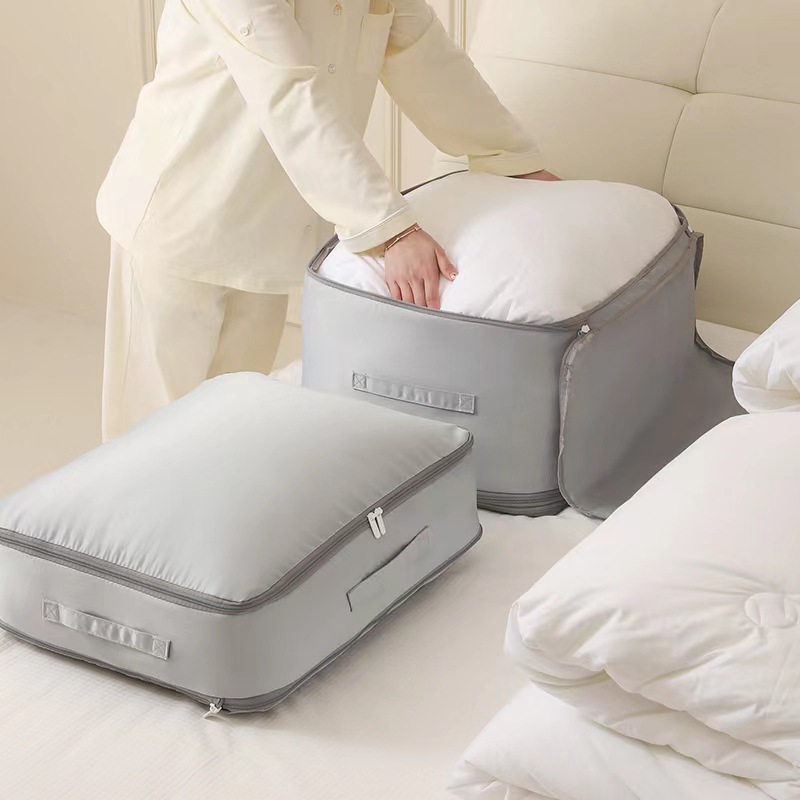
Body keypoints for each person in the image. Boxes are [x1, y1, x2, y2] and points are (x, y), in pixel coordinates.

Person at [96, 0, 558, 441]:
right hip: (177, 222)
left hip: (266, 241)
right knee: (148, 440)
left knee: (226, 431)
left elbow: (426, 56)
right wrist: (393, 229)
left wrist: (511, 158)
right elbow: (288, 92)